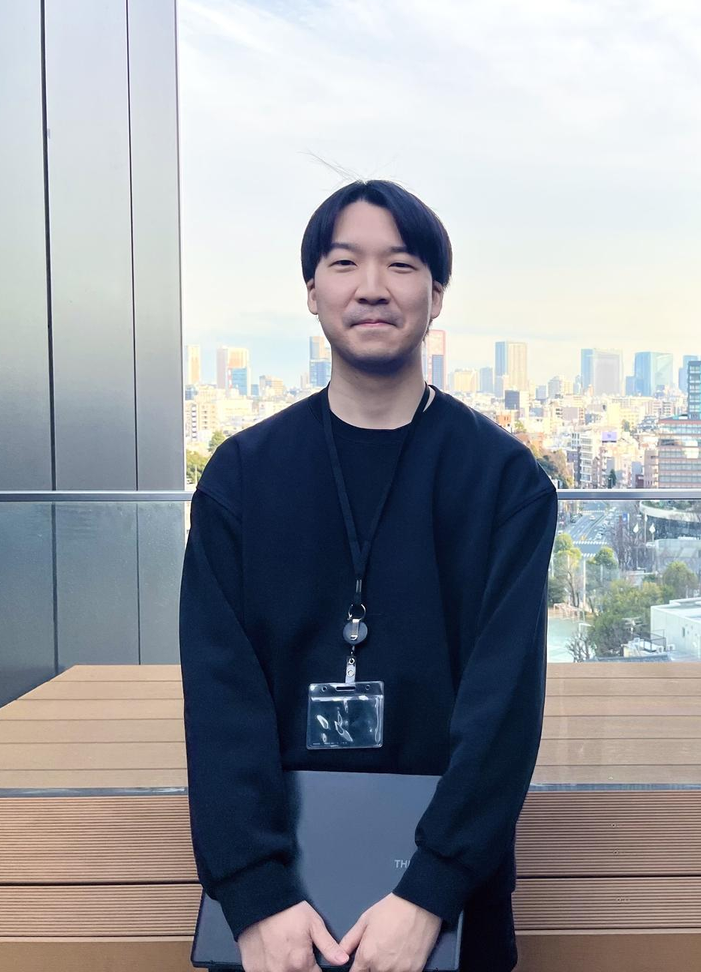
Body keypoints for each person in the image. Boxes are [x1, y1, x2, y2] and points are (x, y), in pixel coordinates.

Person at [179, 179, 558, 972]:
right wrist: (255, 894)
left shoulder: (503, 481)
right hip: (276, 916)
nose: (373, 287)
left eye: (402, 264)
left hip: (446, 911)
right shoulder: (242, 477)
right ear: (312, 291)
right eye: (345, 262)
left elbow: (504, 707)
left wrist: (429, 893)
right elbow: (221, 697)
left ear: (436, 295)